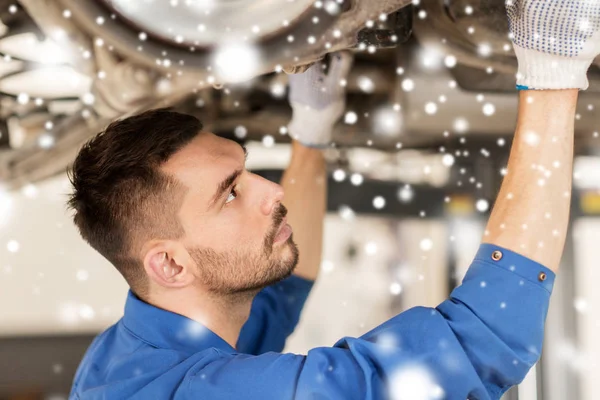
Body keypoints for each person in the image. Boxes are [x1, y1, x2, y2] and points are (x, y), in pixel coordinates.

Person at [68, 1, 600, 399]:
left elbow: (283, 292)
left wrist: (310, 132)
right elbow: (482, 343)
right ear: (168, 263)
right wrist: (552, 63)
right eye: (229, 193)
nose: (271, 190)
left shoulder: (146, 347)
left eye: (244, 172)